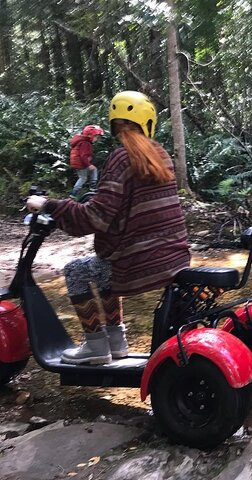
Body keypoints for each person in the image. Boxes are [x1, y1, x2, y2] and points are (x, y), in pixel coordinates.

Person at [26, 91, 191, 365]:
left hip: (140, 265)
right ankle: (116, 342)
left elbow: (95, 218)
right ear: (148, 122)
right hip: (174, 258)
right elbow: (127, 207)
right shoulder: (161, 155)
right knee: (102, 264)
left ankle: (95, 346)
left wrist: (49, 205)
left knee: (76, 270)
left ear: (115, 124)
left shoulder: (121, 157)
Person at [69, 125, 104, 199]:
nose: (97, 139)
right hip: (81, 163)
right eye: (96, 137)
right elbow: (83, 156)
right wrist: (88, 165)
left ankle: (92, 188)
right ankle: (75, 194)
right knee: (83, 178)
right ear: (89, 135)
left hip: (78, 163)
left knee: (91, 172)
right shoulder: (85, 143)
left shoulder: (81, 141)